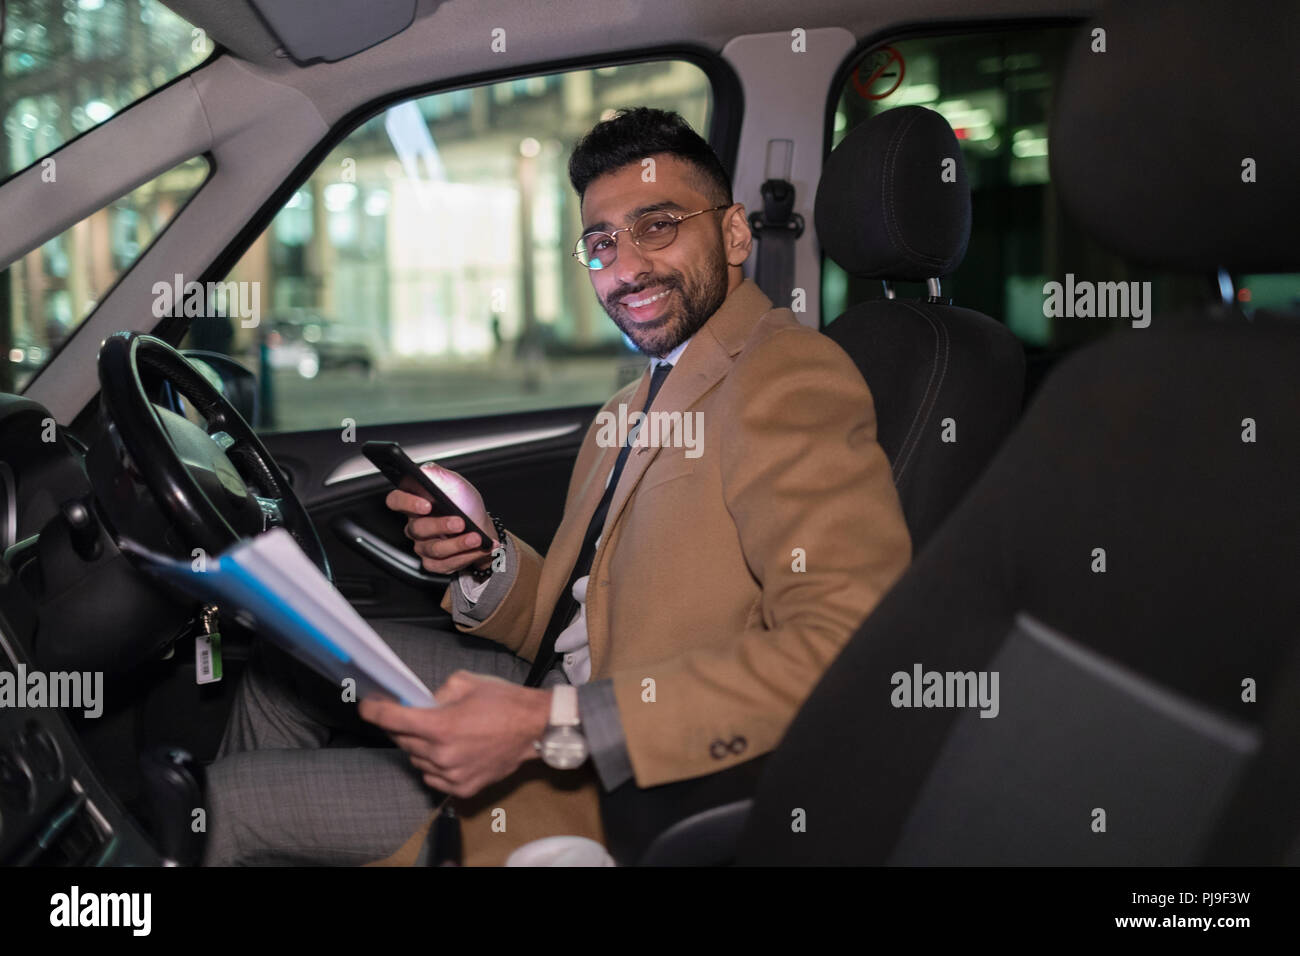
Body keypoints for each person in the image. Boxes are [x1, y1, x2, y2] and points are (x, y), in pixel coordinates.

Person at [202, 107, 911, 866]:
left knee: (223, 807)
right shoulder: (636, 399)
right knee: (285, 662)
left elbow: (851, 648)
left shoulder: (785, 375)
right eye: (602, 242)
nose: (627, 266)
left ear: (735, 233)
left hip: (620, 771)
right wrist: (484, 556)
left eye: (659, 225)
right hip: (560, 683)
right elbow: (585, 606)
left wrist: (550, 724)